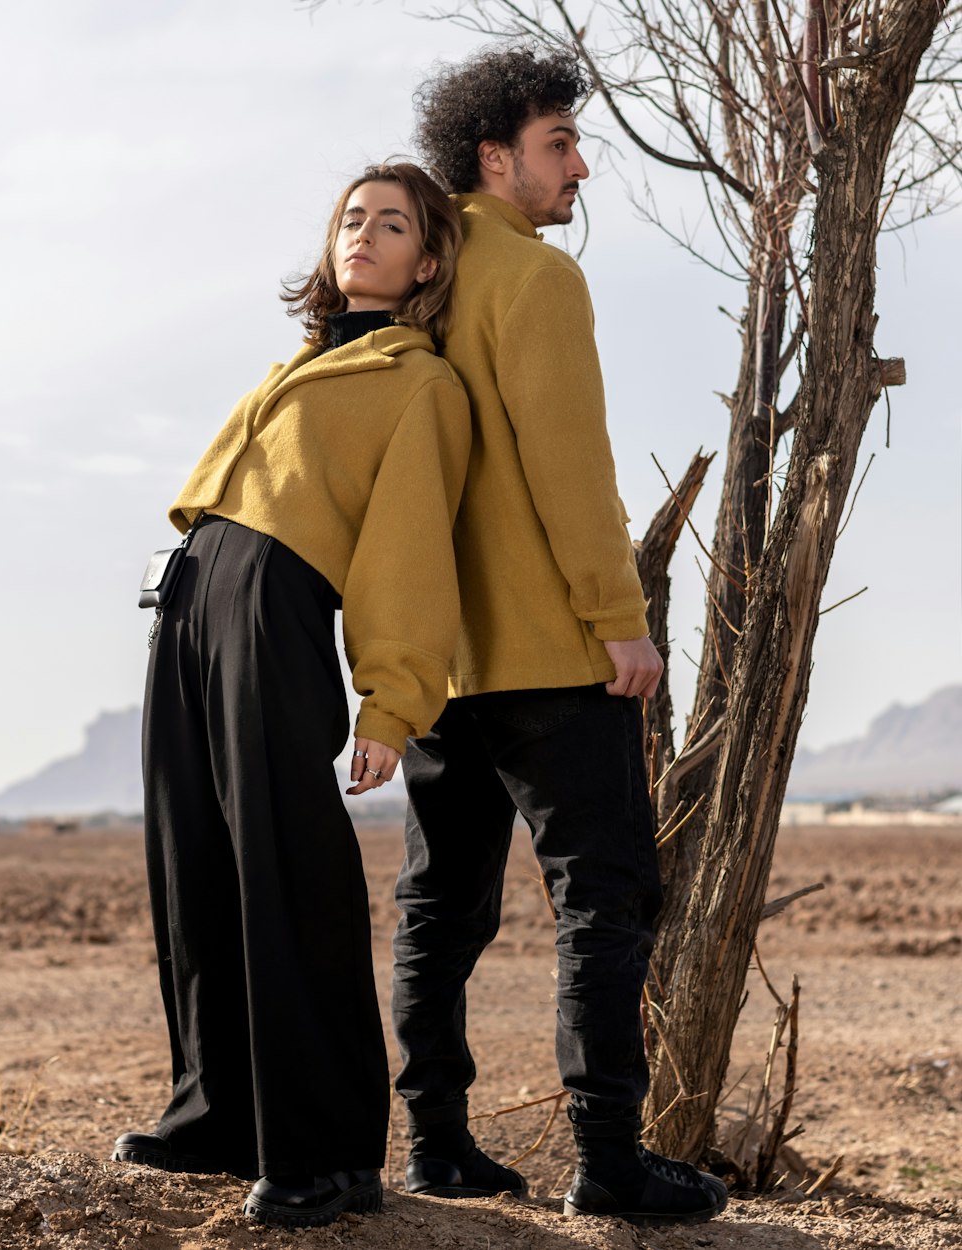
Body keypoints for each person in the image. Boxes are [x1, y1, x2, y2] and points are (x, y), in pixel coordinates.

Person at [390, 46, 729, 1228]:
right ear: (495, 157)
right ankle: (609, 1160)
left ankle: (434, 1145)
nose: (580, 165)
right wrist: (619, 622)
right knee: (604, 897)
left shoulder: (421, 278)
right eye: (559, 143)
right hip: (548, 655)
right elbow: (570, 470)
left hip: (440, 662)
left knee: (441, 905)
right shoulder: (535, 281)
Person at [112, 163, 470, 1232]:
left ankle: (327, 1152)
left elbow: (409, 552)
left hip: (276, 610)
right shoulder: (297, 363)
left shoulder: (420, 382)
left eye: (392, 222)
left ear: (428, 261)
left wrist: (391, 702)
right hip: (187, 602)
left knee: (285, 872)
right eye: (351, 218)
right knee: (195, 870)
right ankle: (217, 1114)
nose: (363, 233)